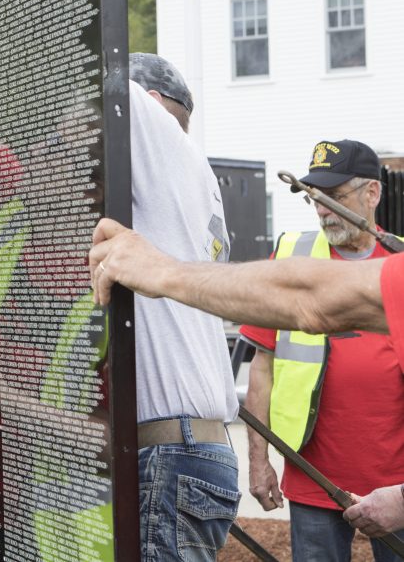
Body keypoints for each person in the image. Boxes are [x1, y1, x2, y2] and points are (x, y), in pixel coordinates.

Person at [88, 219, 404, 538]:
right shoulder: (307, 250)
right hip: (316, 473)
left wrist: (161, 272)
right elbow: (305, 303)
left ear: (373, 191)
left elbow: (309, 299)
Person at [240, 140, 404, 562]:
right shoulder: (292, 257)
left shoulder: (399, 262)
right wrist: (259, 463)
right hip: (313, 475)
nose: (323, 209)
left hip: (398, 484)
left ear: (372, 194)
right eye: (316, 198)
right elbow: (263, 366)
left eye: (336, 196)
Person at [124, 54, 240, 562]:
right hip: (197, 448)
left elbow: (99, 74)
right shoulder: (194, 186)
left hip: (172, 452)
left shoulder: (158, 139)